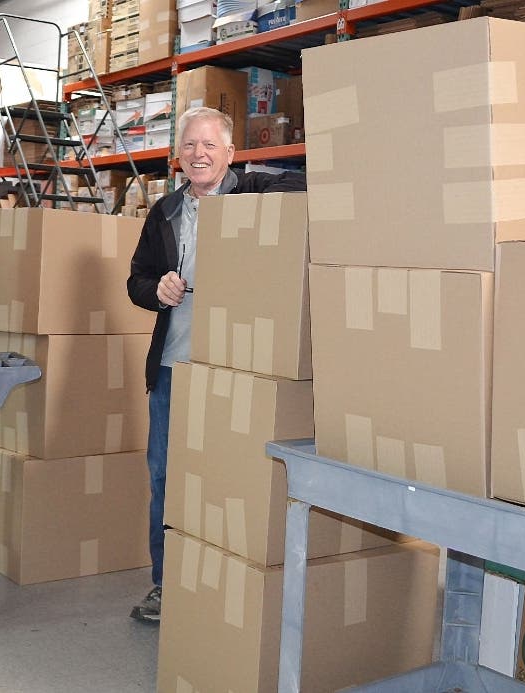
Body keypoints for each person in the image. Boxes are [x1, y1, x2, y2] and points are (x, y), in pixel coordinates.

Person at [126, 106, 306, 622]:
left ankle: (228, 583)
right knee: (165, 476)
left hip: (236, 370)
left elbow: (306, 183)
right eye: (189, 145)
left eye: (210, 145)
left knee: (230, 477)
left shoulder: (252, 194)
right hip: (173, 368)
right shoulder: (164, 212)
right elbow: (136, 281)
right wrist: (156, 291)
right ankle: (166, 585)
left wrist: (255, 183)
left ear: (230, 153)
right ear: (177, 154)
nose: (198, 154)